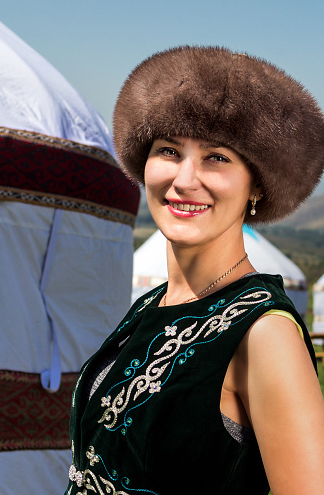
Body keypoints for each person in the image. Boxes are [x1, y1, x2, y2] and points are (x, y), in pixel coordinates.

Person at [65, 46, 324, 495]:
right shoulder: (152, 304)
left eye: (216, 157)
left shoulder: (263, 334)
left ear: (257, 183)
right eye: (169, 150)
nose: (184, 180)